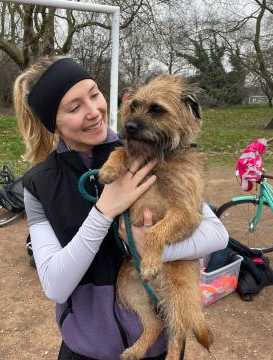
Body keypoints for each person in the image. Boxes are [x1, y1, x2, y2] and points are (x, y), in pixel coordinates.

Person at [14, 56, 229, 360]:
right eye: (74, 108)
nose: (93, 112)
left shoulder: (157, 151)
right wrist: (104, 210)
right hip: (86, 350)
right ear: (54, 124)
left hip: (156, 349)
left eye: (94, 94)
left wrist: (151, 247)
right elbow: (55, 286)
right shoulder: (39, 184)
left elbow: (217, 235)